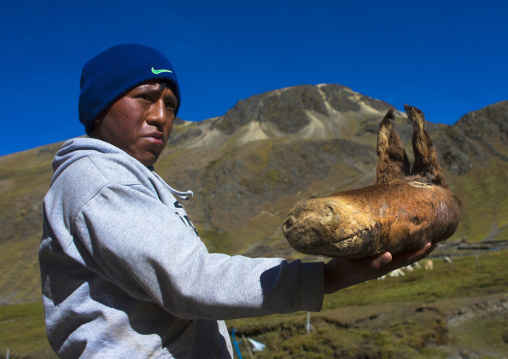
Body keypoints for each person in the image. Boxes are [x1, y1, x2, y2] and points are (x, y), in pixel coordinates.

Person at [39, 44, 434, 358]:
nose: (161, 116)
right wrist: (327, 278)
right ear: (100, 107)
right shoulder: (99, 180)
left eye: (171, 105)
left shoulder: (128, 180)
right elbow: (190, 280)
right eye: (145, 98)